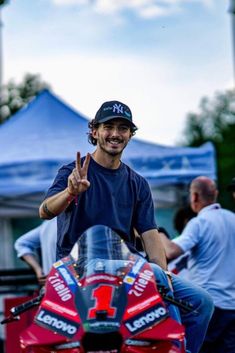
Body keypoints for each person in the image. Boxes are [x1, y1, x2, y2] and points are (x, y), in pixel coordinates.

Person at [39, 100, 213, 353]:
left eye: (123, 128)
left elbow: (150, 235)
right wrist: (70, 191)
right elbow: (44, 211)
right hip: (80, 268)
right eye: (108, 126)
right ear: (94, 131)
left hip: (127, 269)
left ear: (130, 134)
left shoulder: (138, 183)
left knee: (201, 301)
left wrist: (163, 277)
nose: (115, 134)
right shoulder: (73, 172)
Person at [159, 176, 235, 353]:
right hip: (233, 307)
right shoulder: (233, 218)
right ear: (215, 194)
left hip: (210, 306)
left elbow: (171, 251)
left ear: (194, 197)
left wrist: (158, 234)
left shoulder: (199, 222)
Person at [14, 218, 57, 286]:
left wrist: (38, 270)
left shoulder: (49, 223)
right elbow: (21, 244)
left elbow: (21, 244)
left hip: (52, 283)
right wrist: (38, 269)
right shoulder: (50, 223)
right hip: (61, 283)